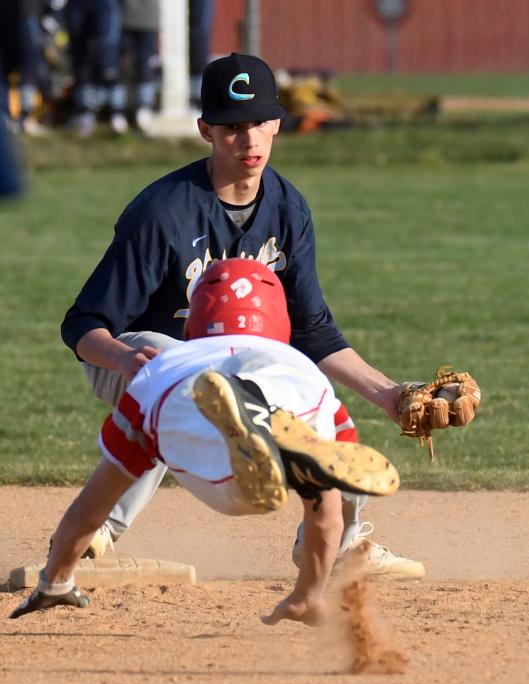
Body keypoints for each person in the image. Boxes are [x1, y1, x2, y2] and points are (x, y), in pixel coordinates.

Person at [59, 52, 424, 580]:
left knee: (314, 407)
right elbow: (83, 324)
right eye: (231, 128)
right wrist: (126, 361)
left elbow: (312, 331)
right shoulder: (163, 213)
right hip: (136, 357)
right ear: (205, 129)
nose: (248, 141)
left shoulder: (288, 209)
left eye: (258, 123)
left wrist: (389, 393)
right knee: (176, 369)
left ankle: (336, 548)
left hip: (237, 375)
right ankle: (99, 534)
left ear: (278, 123)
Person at [10, 260, 399, 624]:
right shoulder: (306, 371)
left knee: (178, 442)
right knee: (324, 485)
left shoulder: (161, 368)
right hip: (295, 404)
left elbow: (90, 507)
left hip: (189, 419)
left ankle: (241, 430)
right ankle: (271, 431)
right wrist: (307, 594)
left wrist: (55, 581)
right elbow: (327, 517)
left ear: (193, 326)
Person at [64, 0, 127, 137]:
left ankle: (117, 111)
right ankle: (85, 112)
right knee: (80, 56)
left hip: (105, 4)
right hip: (76, 5)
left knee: (106, 56)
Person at [119, 0, 160, 133]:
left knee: (144, 63)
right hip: (122, 15)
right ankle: (121, 107)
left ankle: (144, 106)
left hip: (148, 16)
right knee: (123, 63)